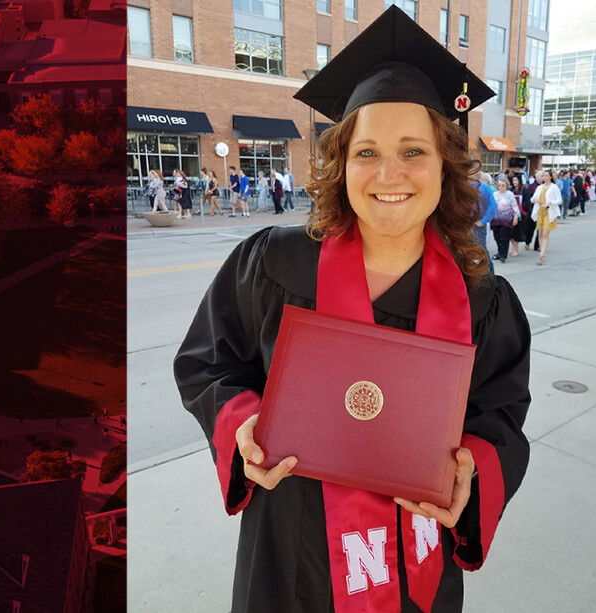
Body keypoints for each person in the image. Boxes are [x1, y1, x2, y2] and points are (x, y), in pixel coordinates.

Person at [174, 7, 530, 612]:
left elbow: (501, 417)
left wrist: (473, 469)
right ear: (342, 166)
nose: (389, 173)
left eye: (413, 150)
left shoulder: (483, 299)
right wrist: (243, 428)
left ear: (446, 164)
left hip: (417, 565)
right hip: (291, 561)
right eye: (366, 152)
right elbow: (206, 366)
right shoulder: (272, 265)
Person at [530, 169, 561, 265]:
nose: (545, 177)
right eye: (543, 176)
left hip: (549, 212)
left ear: (550, 177)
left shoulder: (554, 187)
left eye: (547, 175)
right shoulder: (539, 188)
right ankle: (541, 250)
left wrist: (550, 203)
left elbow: (559, 200)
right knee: (540, 232)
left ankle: (542, 254)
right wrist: (535, 199)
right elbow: (532, 199)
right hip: (540, 211)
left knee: (545, 232)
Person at [489, 177, 519, 261]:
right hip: (496, 219)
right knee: (497, 237)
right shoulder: (495, 194)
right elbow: (491, 206)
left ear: (506, 185)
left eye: (503, 185)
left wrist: (516, 217)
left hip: (506, 219)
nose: (501, 187)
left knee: (504, 237)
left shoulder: (509, 195)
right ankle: (499, 252)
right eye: (499, 185)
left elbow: (515, 206)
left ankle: (503, 255)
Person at [509, 174, 532, 257]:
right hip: (511, 214)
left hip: (520, 215)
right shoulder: (511, 190)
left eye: (516, 180)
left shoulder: (524, 190)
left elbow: (527, 203)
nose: (514, 182)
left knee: (517, 232)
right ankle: (513, 247)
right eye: (513, 180)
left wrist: (519, 207)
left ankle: (515, 248)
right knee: (510, 233)